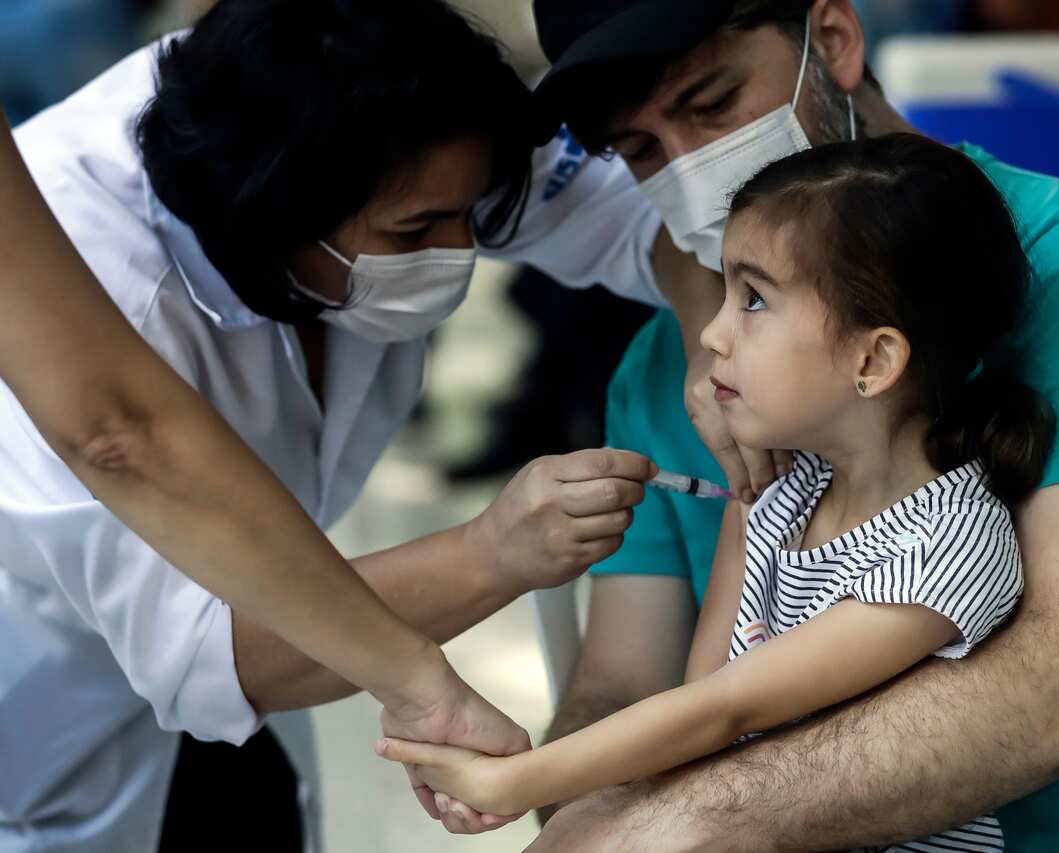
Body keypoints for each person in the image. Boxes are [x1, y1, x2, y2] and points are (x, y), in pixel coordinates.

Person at [496, 1, 1059, 850]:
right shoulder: (667, 370)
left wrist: (693, 818)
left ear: (831, 43)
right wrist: (583, 813)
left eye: (713, 102)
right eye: (643, 150)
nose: (692, 170)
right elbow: (622, 686)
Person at [0, 0, 668, 847]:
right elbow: (211, 642)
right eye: (416, 230)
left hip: (227, 720)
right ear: (274, 217)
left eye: (473, 216)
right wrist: (491, 555)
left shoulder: (369, 107)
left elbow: (653, 221)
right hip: (39, 712)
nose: (457, 255)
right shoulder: (100, 283)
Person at [378, 134, 1056, 853]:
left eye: (754, 300)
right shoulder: (771, 489)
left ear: (874, 357)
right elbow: (695, 713)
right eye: (726, 292)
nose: (711, 332)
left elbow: (724, 709)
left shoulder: (947, 547)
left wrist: (515, 782)